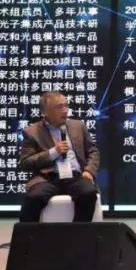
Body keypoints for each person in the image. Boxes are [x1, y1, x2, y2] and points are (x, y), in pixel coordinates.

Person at [18, 91, 99, 222]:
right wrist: (53, 152)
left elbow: (93, 151)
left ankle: (78, 232)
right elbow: (25, 162)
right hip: (48, 179)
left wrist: (89, 170)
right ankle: (28, 235)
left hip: (76, 176)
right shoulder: (32, 132)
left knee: (88, 193)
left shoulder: (78, 126)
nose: (65, 110)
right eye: (59, 107)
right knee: (33, 199)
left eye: (66, 105)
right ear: (45, 112)